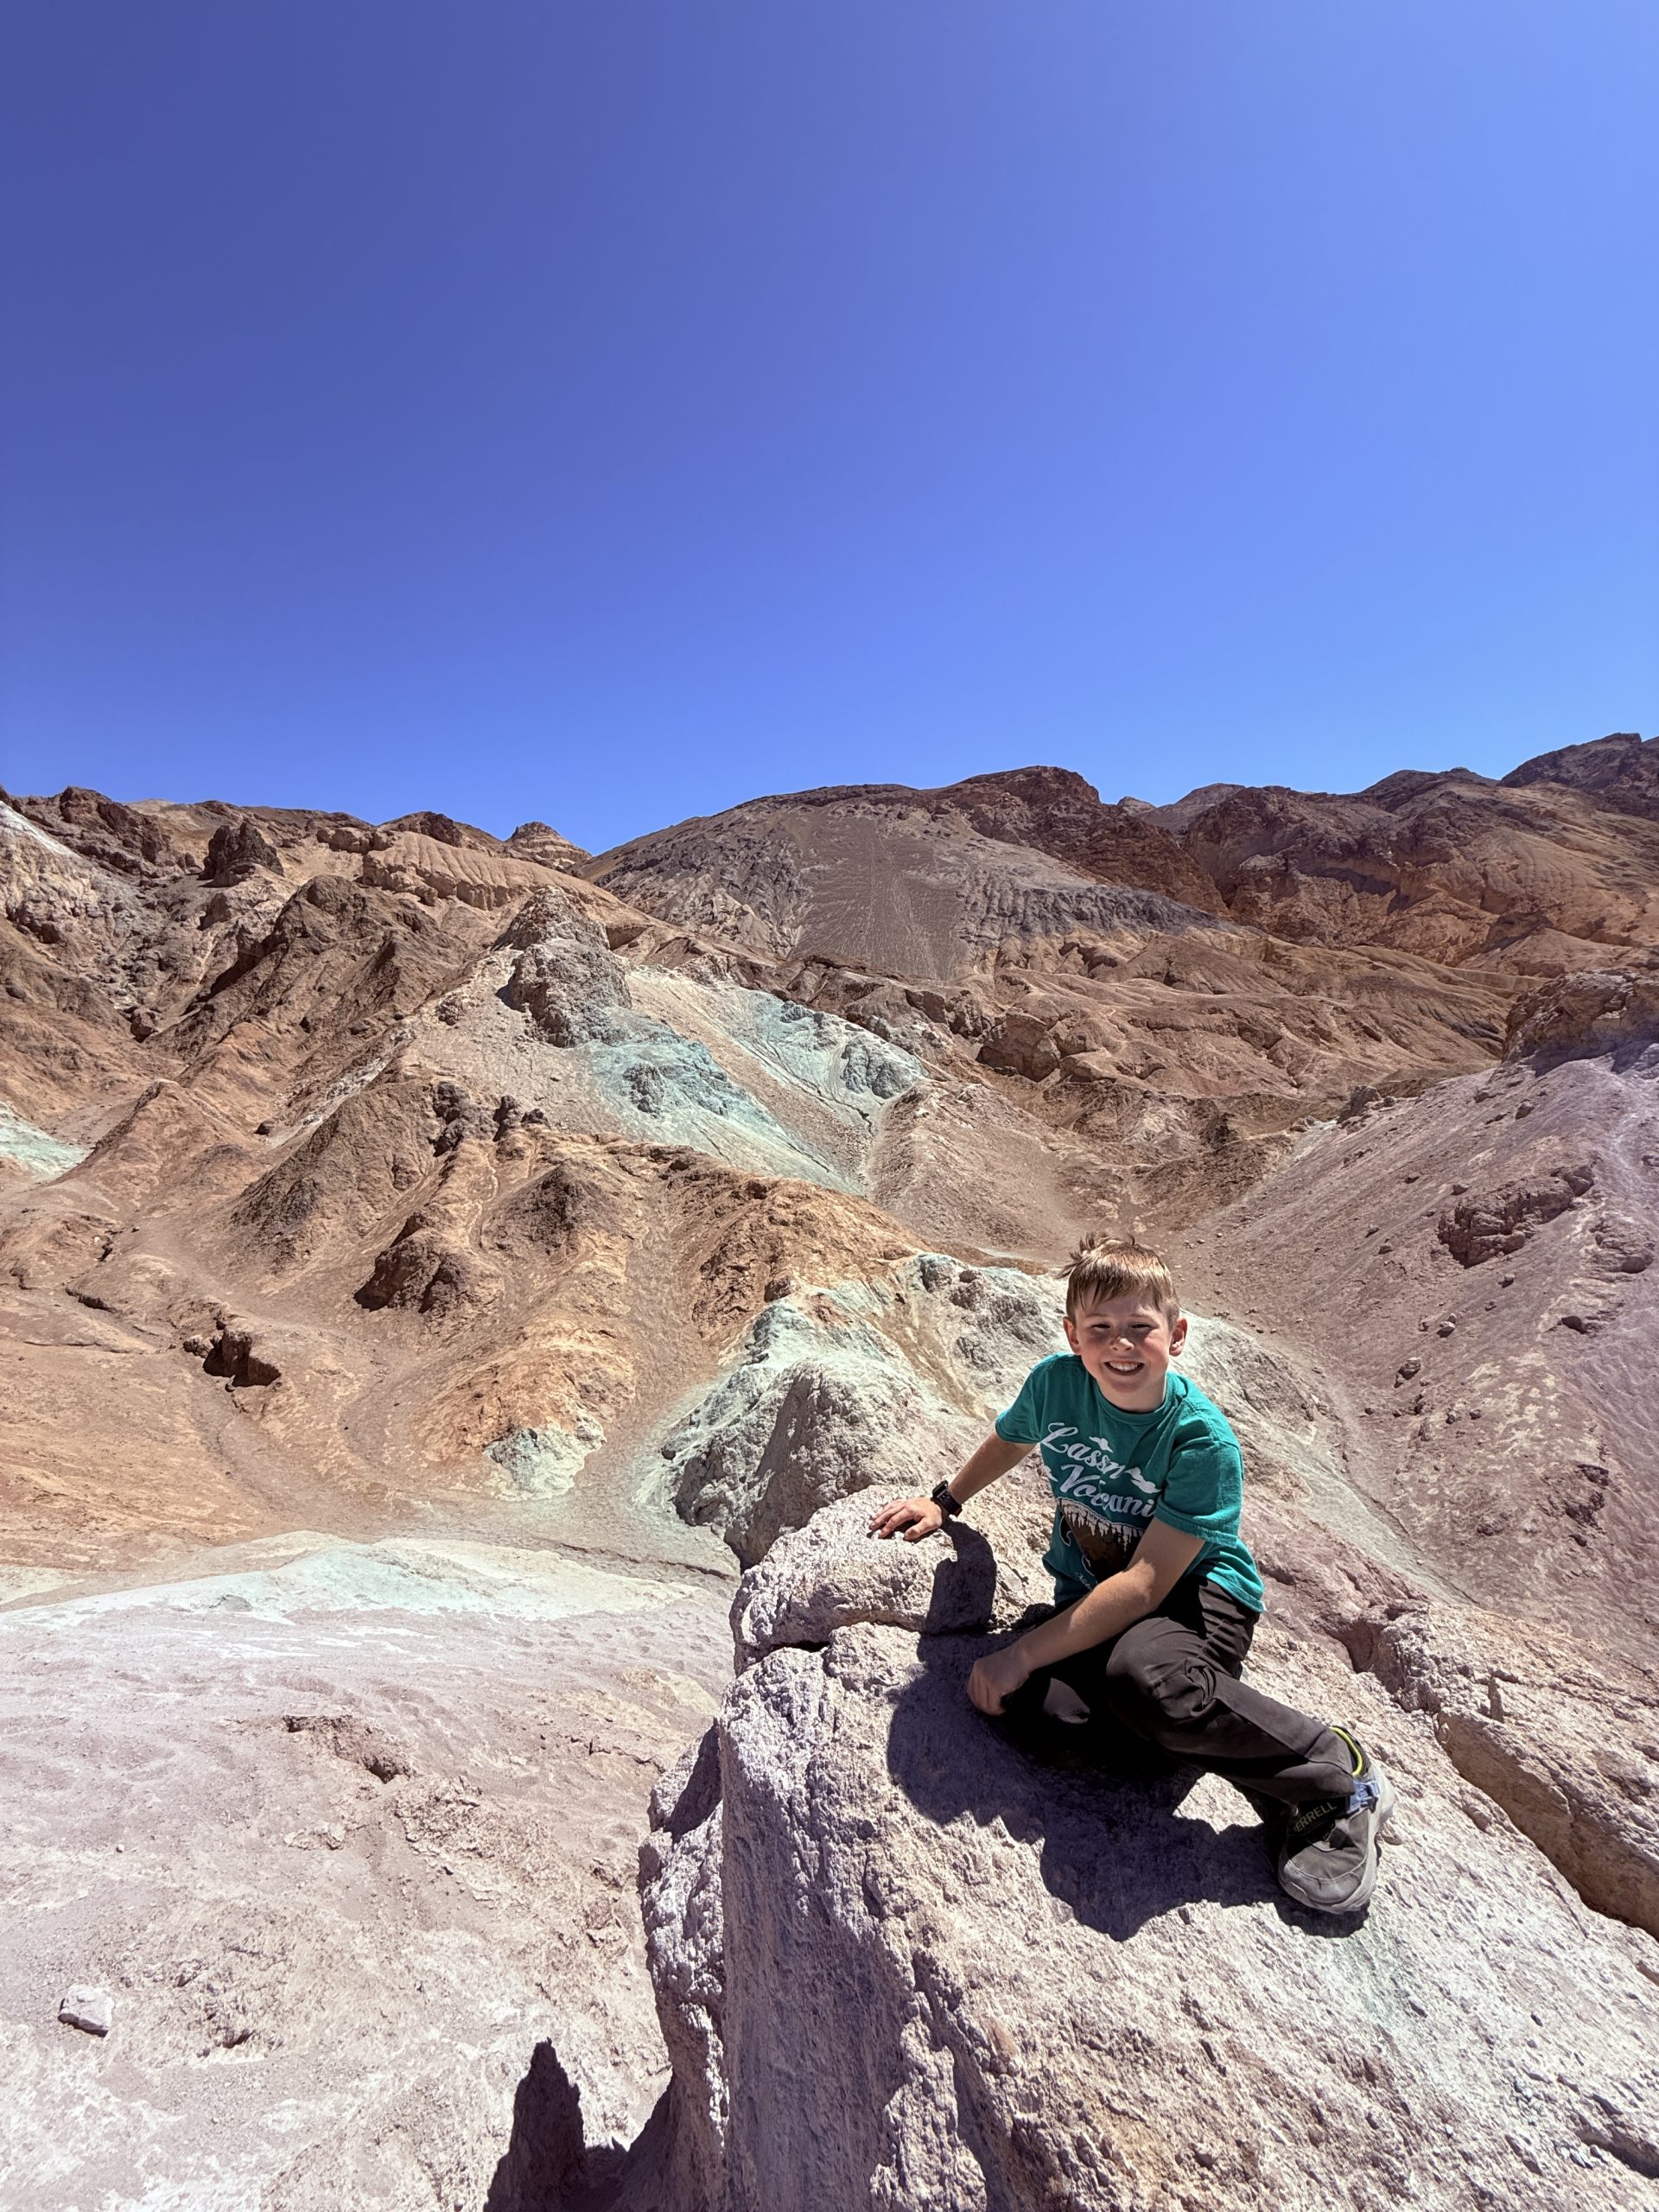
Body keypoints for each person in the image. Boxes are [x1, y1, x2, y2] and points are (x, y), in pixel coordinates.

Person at [868, 1236, 1395, 1915]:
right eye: (1101, 1329)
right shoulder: (1057, 1384)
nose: (1121, 1345)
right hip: (1102, 1598)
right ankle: (1194, 1727)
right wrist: (944, 1501)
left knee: (1145, 1681)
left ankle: (1336, 1778)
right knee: (1045, 1721)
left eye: (1140, 1328)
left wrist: (1027, 1649)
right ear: (1073, 1336)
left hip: (1198, 1599)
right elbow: (1010, 1437)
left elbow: (1148, 1582)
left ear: (1175, 1335)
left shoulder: (1200, 1440)